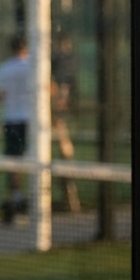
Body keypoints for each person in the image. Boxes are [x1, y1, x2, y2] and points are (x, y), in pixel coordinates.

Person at [0, 36, 32, 224]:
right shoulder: (33, 65)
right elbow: (50, 89)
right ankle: (27, 201)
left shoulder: (5, 68)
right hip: (31, 121)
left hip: (11, 120)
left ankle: (18, 197)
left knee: (14, 160)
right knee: (32, 158)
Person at [51, 34, 80, 213]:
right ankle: (68, 199)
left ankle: (70, 199)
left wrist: (62, 98)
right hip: (55, 115)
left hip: (59, 116)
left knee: (65, 150)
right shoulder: (59, 60)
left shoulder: (67, 61)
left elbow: (64, 87)